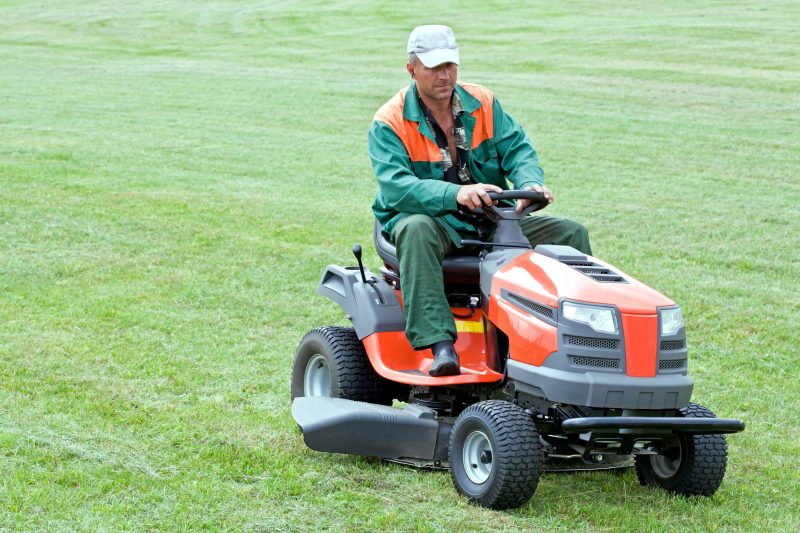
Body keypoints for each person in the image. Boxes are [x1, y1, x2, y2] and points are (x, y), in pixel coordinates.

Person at [368, 25, 592, 376]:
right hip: (431, 220)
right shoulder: (389, 122)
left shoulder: (483, 102)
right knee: (416, 230)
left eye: (450, 66)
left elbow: (518, 149)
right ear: (411, 69)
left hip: (488, 217)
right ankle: (440, 345)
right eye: (433, 68)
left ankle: (576, 338)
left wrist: (531, 183)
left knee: (570, 235)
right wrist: (455, 193)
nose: (444, 76)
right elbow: (397, 188)